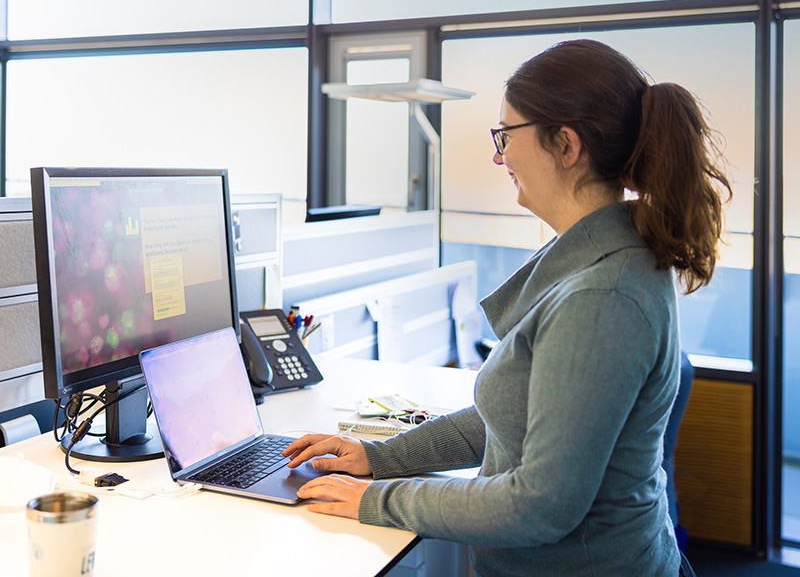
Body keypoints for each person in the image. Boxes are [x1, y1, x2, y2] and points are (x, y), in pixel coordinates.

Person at [283, 39, 731, 576]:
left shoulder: (601, 296)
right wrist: (375, 459)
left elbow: (538, 506)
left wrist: (374, 500)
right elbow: (508, 419)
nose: (500, 156)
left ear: (565, 145)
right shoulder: (598, 262)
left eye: (507, 136)